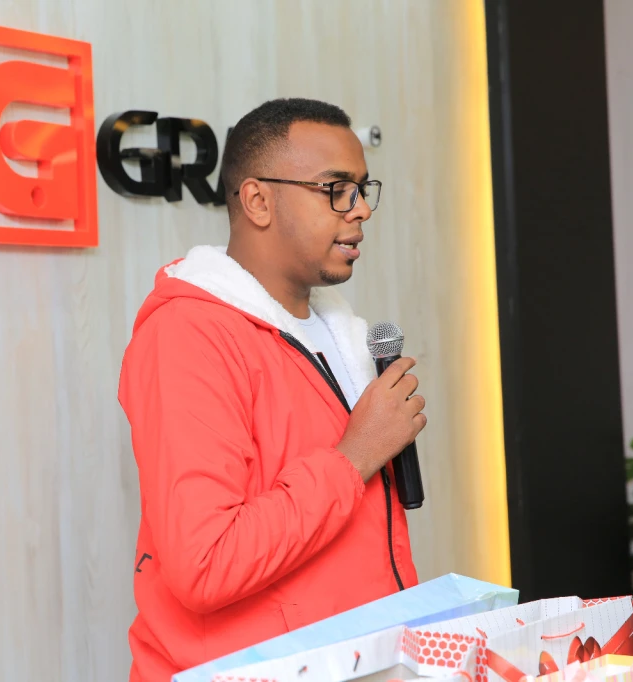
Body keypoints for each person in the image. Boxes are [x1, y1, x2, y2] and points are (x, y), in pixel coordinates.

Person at [118, 97, 427, 682]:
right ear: (258, 200)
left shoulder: (338, 335)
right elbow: (204, 563)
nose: (361, 209)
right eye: (336, 189)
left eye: (362, 189)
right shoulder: (187, 334)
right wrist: (355, 456)